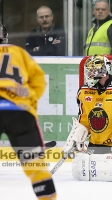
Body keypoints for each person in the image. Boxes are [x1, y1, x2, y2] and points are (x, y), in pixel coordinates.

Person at [0, 24, 57, 200]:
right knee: (35, 166)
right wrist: (27, 102)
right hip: (20, 112)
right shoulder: (18, 52)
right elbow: (39, 81)